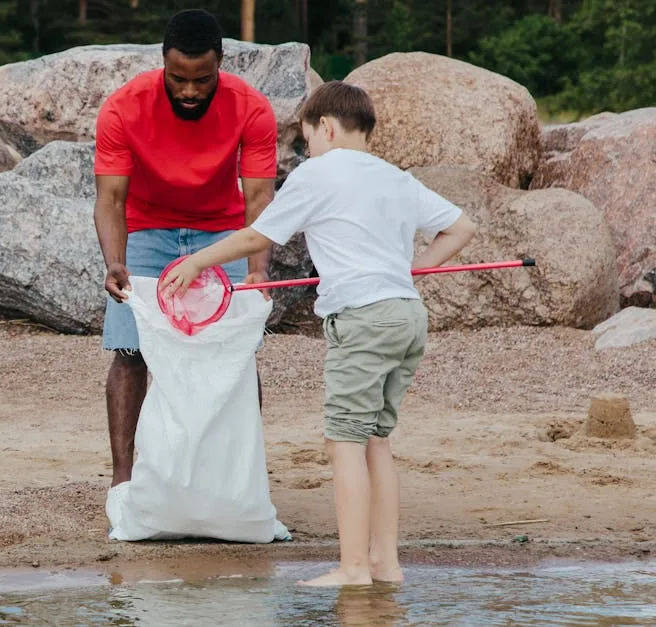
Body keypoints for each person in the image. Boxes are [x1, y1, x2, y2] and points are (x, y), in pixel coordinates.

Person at [158, 81, 478, 586]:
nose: (309, 149)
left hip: (364, 319)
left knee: (343, 443)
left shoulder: (318, 173)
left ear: (325, 127)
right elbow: (461, 227)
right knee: (375, 439)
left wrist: (196, 260)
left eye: (307, 140)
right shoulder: (396, 178)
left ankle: (353, 569)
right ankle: (385, 565)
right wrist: (411, 268)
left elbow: (257, 234)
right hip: (407, 316)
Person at [92, 8, 279, 488]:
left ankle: (236, 476)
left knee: (235, 352)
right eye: (178, 79)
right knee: (131, 350)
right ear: (163, 64)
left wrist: (257, 270)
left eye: (202, 79)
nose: (191, 91)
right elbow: (111, 199)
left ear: (221, 63)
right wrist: (116, 261)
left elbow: (259, 198)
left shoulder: (251, 107)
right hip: (148, 229)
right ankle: (123, 478)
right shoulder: (123, 107)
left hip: (222, 233)